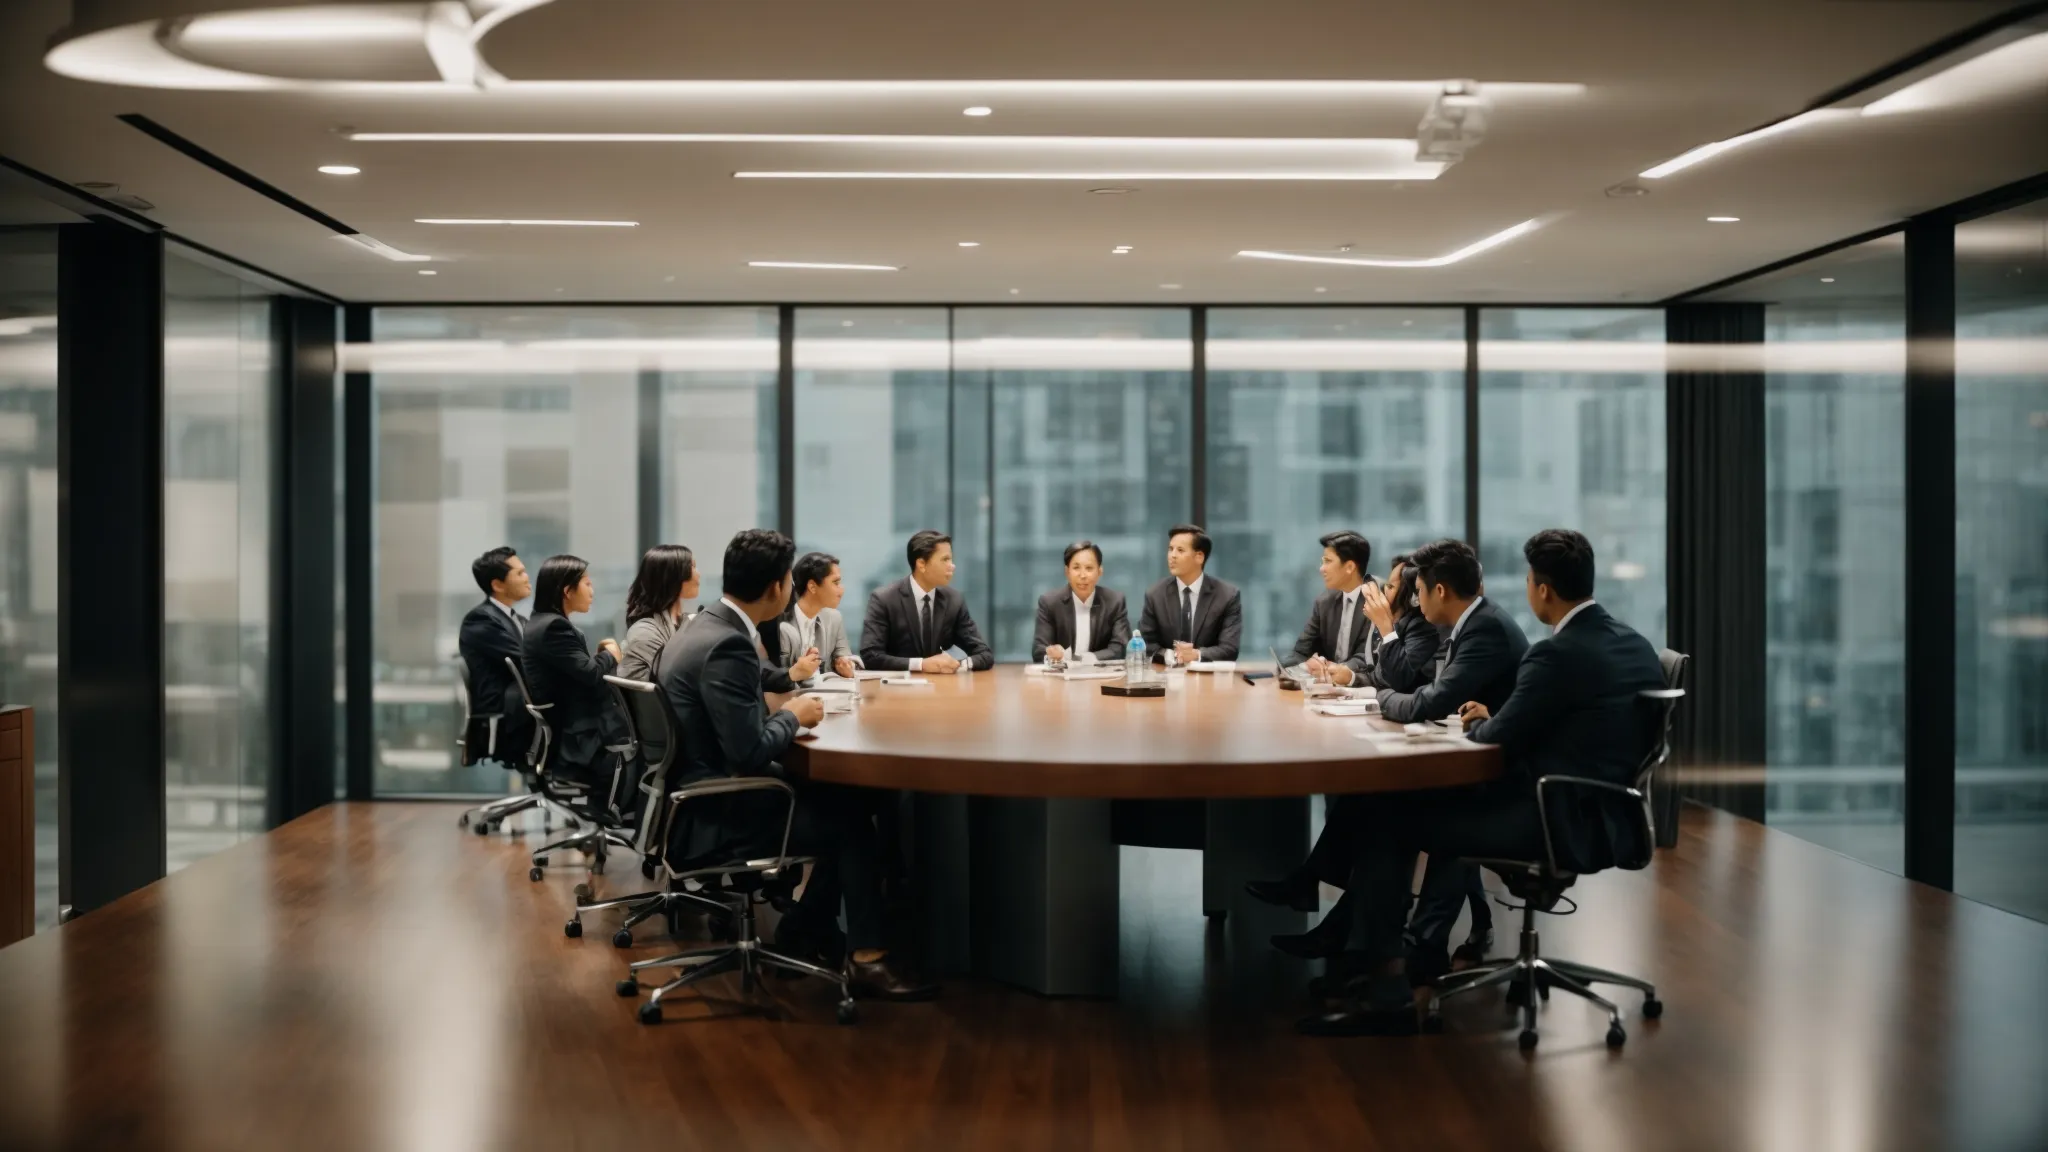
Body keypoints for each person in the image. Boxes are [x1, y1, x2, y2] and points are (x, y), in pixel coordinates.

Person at [1298, 528, 1667, 1036]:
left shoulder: (1554, 655)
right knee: (1431, 807)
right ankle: (1411, 956)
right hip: (1609, 815)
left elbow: (1499, 737)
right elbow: (1574, 725)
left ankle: (1387, 990)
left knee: (1389, 816)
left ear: (1542, 589)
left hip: (1550, 818)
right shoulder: (1635, 645)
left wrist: (1486, 720)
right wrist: (1503, 715)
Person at [659, 529, 937, 1001]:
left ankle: (804, 929)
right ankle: (865, 956)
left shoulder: (703, 626)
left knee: (855, 796)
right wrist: (791, 714)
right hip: (720, 807)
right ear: (776, 588)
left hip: (694, 793)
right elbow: (749, 751)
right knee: (852, 824)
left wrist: (785, 694)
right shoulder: (728, 645)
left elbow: (742, 703)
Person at [1249, 537, 1521, 973]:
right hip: (1472, 759)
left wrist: (1382, 695)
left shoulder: (1480, 627)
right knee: (1374, 800)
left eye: (1416, 589)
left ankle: (1389, 953)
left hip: (1491, 785)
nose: (1411, 597)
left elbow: (1422, 700)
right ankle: (1351, 937)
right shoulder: (1473, 623)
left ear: (1439, 591)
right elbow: (1429, 693)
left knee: (1385, 811)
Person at [520, 554, 628, 808]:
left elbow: (578, 672)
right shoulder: (554, 628)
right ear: (568, 591)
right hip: (579, 736)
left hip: (569, 726)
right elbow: (590, 675)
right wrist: (610, 654)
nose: (592, 590)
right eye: (587, 584)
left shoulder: (543, 623)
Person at [859, 530, 994, 673]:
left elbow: (984, 654)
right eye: (945, 559)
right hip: (895, 689)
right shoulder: (884, 599)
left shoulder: (953, 600)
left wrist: (958, 664)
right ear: (921, 564)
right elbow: (870, 656)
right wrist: (921, 664)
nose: (952, 566)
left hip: (940, 688)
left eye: (951, 559)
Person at [458, 546, 534, 770]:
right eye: (519, 573)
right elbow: (527, 661)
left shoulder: (516, 619)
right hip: (508, 715)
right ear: (498, 585)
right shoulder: (481, 620)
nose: (527, 577)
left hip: (522, 709)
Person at [1135, 523, 1242, 664]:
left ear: (1199, 557)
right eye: (1170, 549)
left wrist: (1196, 655)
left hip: (1209, 680)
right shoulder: (1155, 595)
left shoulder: (1227, 596)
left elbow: (1229, 649)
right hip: (1167, 678)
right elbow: (1145, 644)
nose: (1172, 556)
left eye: (1180, 550)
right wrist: (1171, 655)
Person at [1031, 540, 1131, 664]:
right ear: (1067, 572)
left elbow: (1120, 648)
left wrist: (1084, 660)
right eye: (1076, 568)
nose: (1082, 575)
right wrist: (1052, 654)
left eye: (1089, 568)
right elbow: (1039, 650)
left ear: (1099, 571)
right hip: (1060, 678)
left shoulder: (1115, 602)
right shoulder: (1049, 603)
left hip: (1099, 677)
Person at [1290, 531, 1374, 678]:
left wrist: (1337, 670)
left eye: (1328, 561)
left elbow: (1366, 658)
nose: (1322, 569)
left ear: (1349, 567)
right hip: (1326, 689)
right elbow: (1300, 652)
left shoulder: (1375, 601)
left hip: (1360, 688)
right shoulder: (1324, 603)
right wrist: (1306, 664)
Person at [618, 545, 699, 682]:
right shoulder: (644, 631)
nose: (698, 573)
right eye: (693, 566)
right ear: (674, 576)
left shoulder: (684, 621)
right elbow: (677, 676)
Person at [779, 551, 859, 683]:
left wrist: (847, 666)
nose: (842, 590)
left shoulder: (834, 618)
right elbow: (776, 677)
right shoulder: (780, 621)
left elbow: (846, 657)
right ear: (812, 586)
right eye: (835, 583)